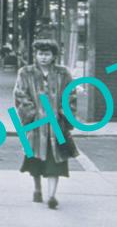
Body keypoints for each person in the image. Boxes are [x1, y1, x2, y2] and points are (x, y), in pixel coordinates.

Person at [14, 39, 76, 209]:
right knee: (35, 161)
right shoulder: (25, 73)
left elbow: (70, 95)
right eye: (40, 54)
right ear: (35, 55)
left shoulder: (63, 74)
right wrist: (32, 114)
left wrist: (65, 114)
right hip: (36, 126)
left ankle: (51, 196)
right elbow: (20, 95)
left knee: (55, 162)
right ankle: (37, 188)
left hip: (56, 128)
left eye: (47, 54)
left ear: (54, 56)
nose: (43, 57)